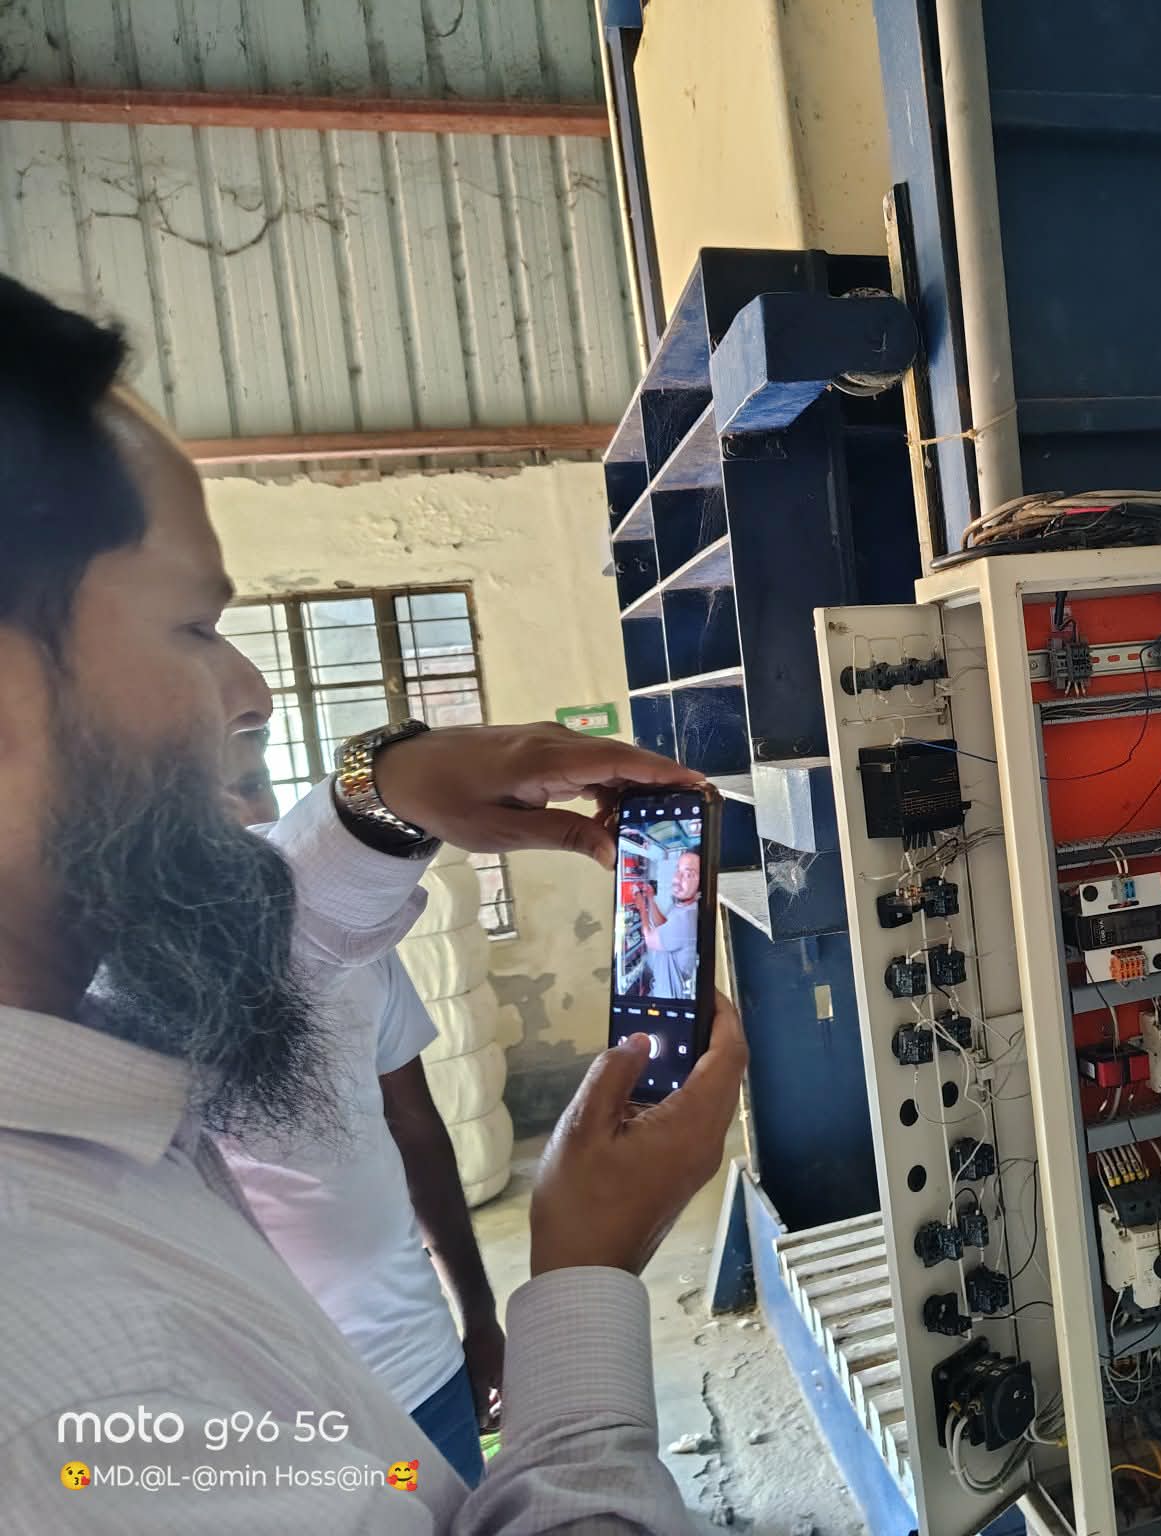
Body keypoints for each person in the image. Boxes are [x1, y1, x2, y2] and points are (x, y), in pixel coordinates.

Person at [0, 275, 744, 1531]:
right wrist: (580, 1278)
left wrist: (383, 788)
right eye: (193, 628)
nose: (251, 693)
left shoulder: (74, 1072)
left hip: (389, 1430)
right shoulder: (74, 1389)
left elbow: (265, 964)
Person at [218, 728, 504, 1487]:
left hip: (419, 1366)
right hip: (260, 1410)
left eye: (257, 785)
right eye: (222, 789)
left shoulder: (356, 947)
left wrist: (478, 1316)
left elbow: (415, 1127)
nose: (252, 816)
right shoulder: (92, 990)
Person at [642, 846, 701, 1000]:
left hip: (667, 997)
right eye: (678, 870)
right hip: (661, 988)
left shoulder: (686, 919)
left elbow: (650, 939)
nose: (676, 879)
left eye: (688, 874)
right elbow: (663, 927)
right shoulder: (683, 908)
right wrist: (650, 899)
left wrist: (641, 906)